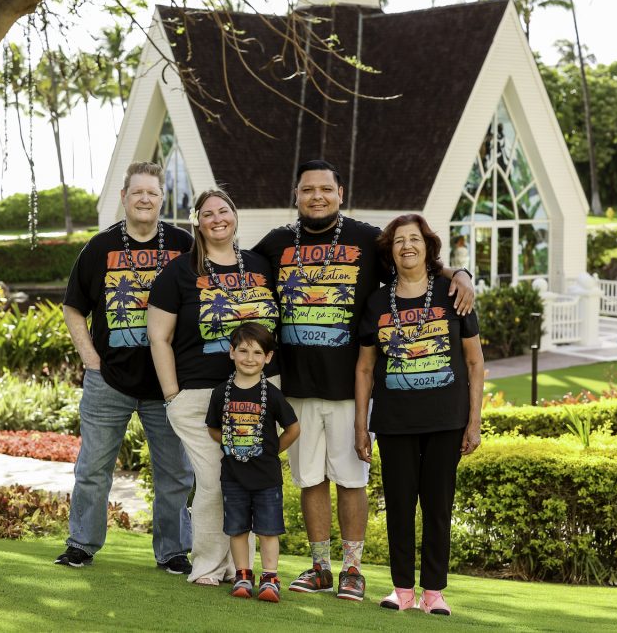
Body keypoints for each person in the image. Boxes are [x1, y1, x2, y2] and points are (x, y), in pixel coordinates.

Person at [252, 159, 475, 602]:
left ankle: (352, 570)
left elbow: (414, 262)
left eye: (325, 189)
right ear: (295, 196)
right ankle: (319, 567)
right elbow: (234, 269)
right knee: (309, 479)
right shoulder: (275, 244)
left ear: (341, 193)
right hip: (296, 386)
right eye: (307, 189)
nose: (317, 196)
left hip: (350, 389)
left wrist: (460, 273)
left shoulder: (366, 240)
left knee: (351, 479)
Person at [54, 161, 194, 575]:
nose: (145, 199)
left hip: (168, 384)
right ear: (124, 198)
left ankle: (173, 551)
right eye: (138, 192)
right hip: (108, 381)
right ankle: (81, 544)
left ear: (161, 197)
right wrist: (90, 360)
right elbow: (73, 307)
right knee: (93, 469)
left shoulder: (185, 246)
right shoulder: (100, 248)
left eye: (153, 192)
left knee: (175, 473)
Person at [148, 188, 281, 586]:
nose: (217, 219)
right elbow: (159, 337)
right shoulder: (178, 272)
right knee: (212, 480)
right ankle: (207, 566)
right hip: (199, 395)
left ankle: (239, 569)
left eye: (224, 210)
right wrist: (172, 395)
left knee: (248, 479)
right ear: (197, 222)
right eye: (208, 213)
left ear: (235, 216)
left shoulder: (260, 263)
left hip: (257, 393)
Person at [355, 213, 484, 616]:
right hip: (394, 421)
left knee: (438, 505)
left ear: (428, 247)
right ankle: (402, 590)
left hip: (446, 419)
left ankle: (434, 592)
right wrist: (362, 426)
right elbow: (363, 368)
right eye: (398, 241)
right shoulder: (377, 301)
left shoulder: (453, 293)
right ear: (390, 252)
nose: (406, 246)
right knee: (398, 505)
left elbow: (475, 362)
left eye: (414, 239)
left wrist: (475, 419)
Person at [204, 323, 300, 603]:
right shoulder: (221, 392)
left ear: (268, 358)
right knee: (237, 528)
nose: (249, 358)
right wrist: (232, 446)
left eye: (257, 352)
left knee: (268, 530)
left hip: (267, 478)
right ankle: (243, 575)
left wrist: (270, 451)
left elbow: (293, 429)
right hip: (233, 476)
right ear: (231, 352)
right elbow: (212, 428)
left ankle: (270, 577)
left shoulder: (272, 393)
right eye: (243, 350)